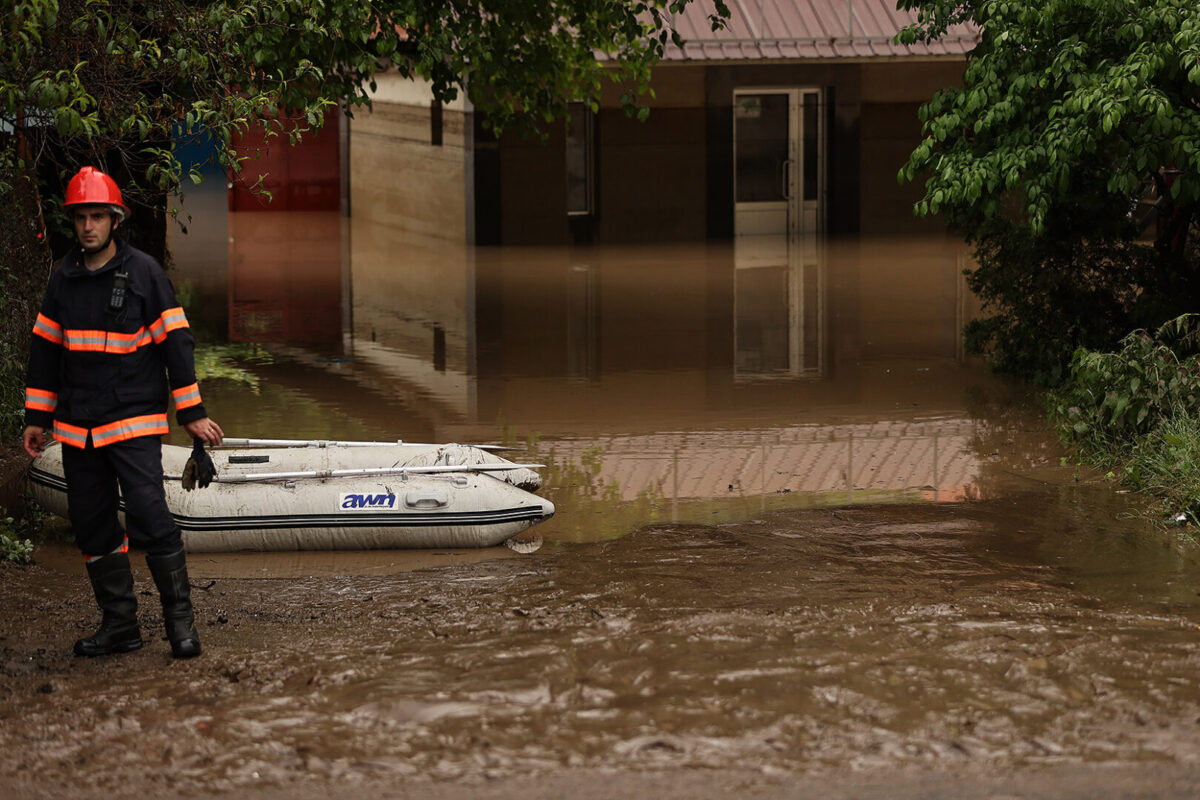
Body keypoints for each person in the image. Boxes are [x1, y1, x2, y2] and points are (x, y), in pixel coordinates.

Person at [22, 166, 224, 659]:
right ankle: (120, 626)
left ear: (115, 220)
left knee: (151, 519)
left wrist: (191, 412)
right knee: (92, 526)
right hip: (78, 427)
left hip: (132, 422)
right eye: (81, 218)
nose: (88, 226)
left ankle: (181, 627)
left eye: (97, 216)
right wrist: (37, 416)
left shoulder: (145, 274)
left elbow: (177, 343)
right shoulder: (64, 279)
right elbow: (47, 351)